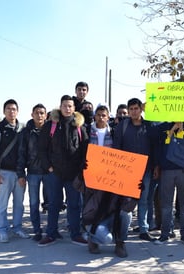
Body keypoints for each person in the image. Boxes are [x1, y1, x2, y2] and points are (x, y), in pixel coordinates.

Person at [83, 105, 134, 257]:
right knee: (93, 206)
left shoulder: (114, 132)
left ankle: (120, 242)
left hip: (112, 175)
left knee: (123, 209)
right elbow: (81, 152)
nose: (101, 117)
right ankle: (93, 237)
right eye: (98, 115)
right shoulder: (87, 131)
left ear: (108, 117)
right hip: (93, 176)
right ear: (94, 116)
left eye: (104, 115)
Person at [38, 95, 89, 247]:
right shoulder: (51, 125)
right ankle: (51, 233)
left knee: (75, 205)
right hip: (55, 173)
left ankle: (75, 234)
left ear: (74, 109)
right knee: (54, 204)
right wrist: (48, 167)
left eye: (70, 106)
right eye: (65, 106)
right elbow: (42, 149)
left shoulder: (80, 127)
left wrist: (81, 170)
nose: (67, 109)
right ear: (60, 107)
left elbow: (86, 151)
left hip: (74, 174)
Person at [112, 98, 157, 242]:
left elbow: (155, 148)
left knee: (144, 200)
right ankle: (121, 230)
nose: (133, 112)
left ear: (141, 109)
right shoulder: (122, 126)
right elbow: (116, 147)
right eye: (130, 109)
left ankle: (143, 229)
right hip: (127, 170)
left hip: (146, 169)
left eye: (136, 108)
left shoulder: (149, 125)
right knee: (125, 201)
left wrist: (156, 166)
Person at [153, 121, 184, 245]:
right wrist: (173, 129)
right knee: (166, 205)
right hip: (167, 170)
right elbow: (158, 143)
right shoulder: (163, 125)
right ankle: (165, 235)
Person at [0, 99, 30, 243]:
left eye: (14, 109)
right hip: (4, 173)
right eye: (8, 109)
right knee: (3, 204)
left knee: (19, 203)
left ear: (17, 111)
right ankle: (2, 230)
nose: (11, 111)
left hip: (20, 173)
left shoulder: (22, 128)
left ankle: (17, 228)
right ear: (4, 111)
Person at [17, 103, 48, 241]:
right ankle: (37, 230)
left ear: (46, 115)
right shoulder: (26, 132)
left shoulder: (51, 130)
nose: (39, 115)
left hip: (49, 172)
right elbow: (21, 153)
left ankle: (52, 230)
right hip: (33, 172)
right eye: (37, 112)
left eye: (42, 113)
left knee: (52, 202)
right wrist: (21, 174)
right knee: (34, 202)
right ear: (32, 114)